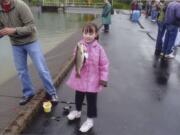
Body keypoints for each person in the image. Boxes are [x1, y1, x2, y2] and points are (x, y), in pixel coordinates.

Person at [0, 0, 59, 105]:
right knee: (21, 71)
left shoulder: (20, 5)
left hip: (31, 41)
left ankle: (52, 92)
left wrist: (14, 30)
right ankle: (28, 93)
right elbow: (2, 29)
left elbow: (31, 27)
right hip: (15, 44)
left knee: (41, 69)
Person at [66, 23, 109, 133]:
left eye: (91, 33)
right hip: (80, 78)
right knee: (78, 97)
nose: (88, 35)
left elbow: (104, 64)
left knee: (91, 102)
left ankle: (90, 121)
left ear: (96, 34)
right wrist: (79, 52)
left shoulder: (99, 48)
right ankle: (78, 111)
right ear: (82, 33)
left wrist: (103, 78)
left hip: (93, 81)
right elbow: (74, 56)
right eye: (86, 33)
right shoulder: (79, 44)